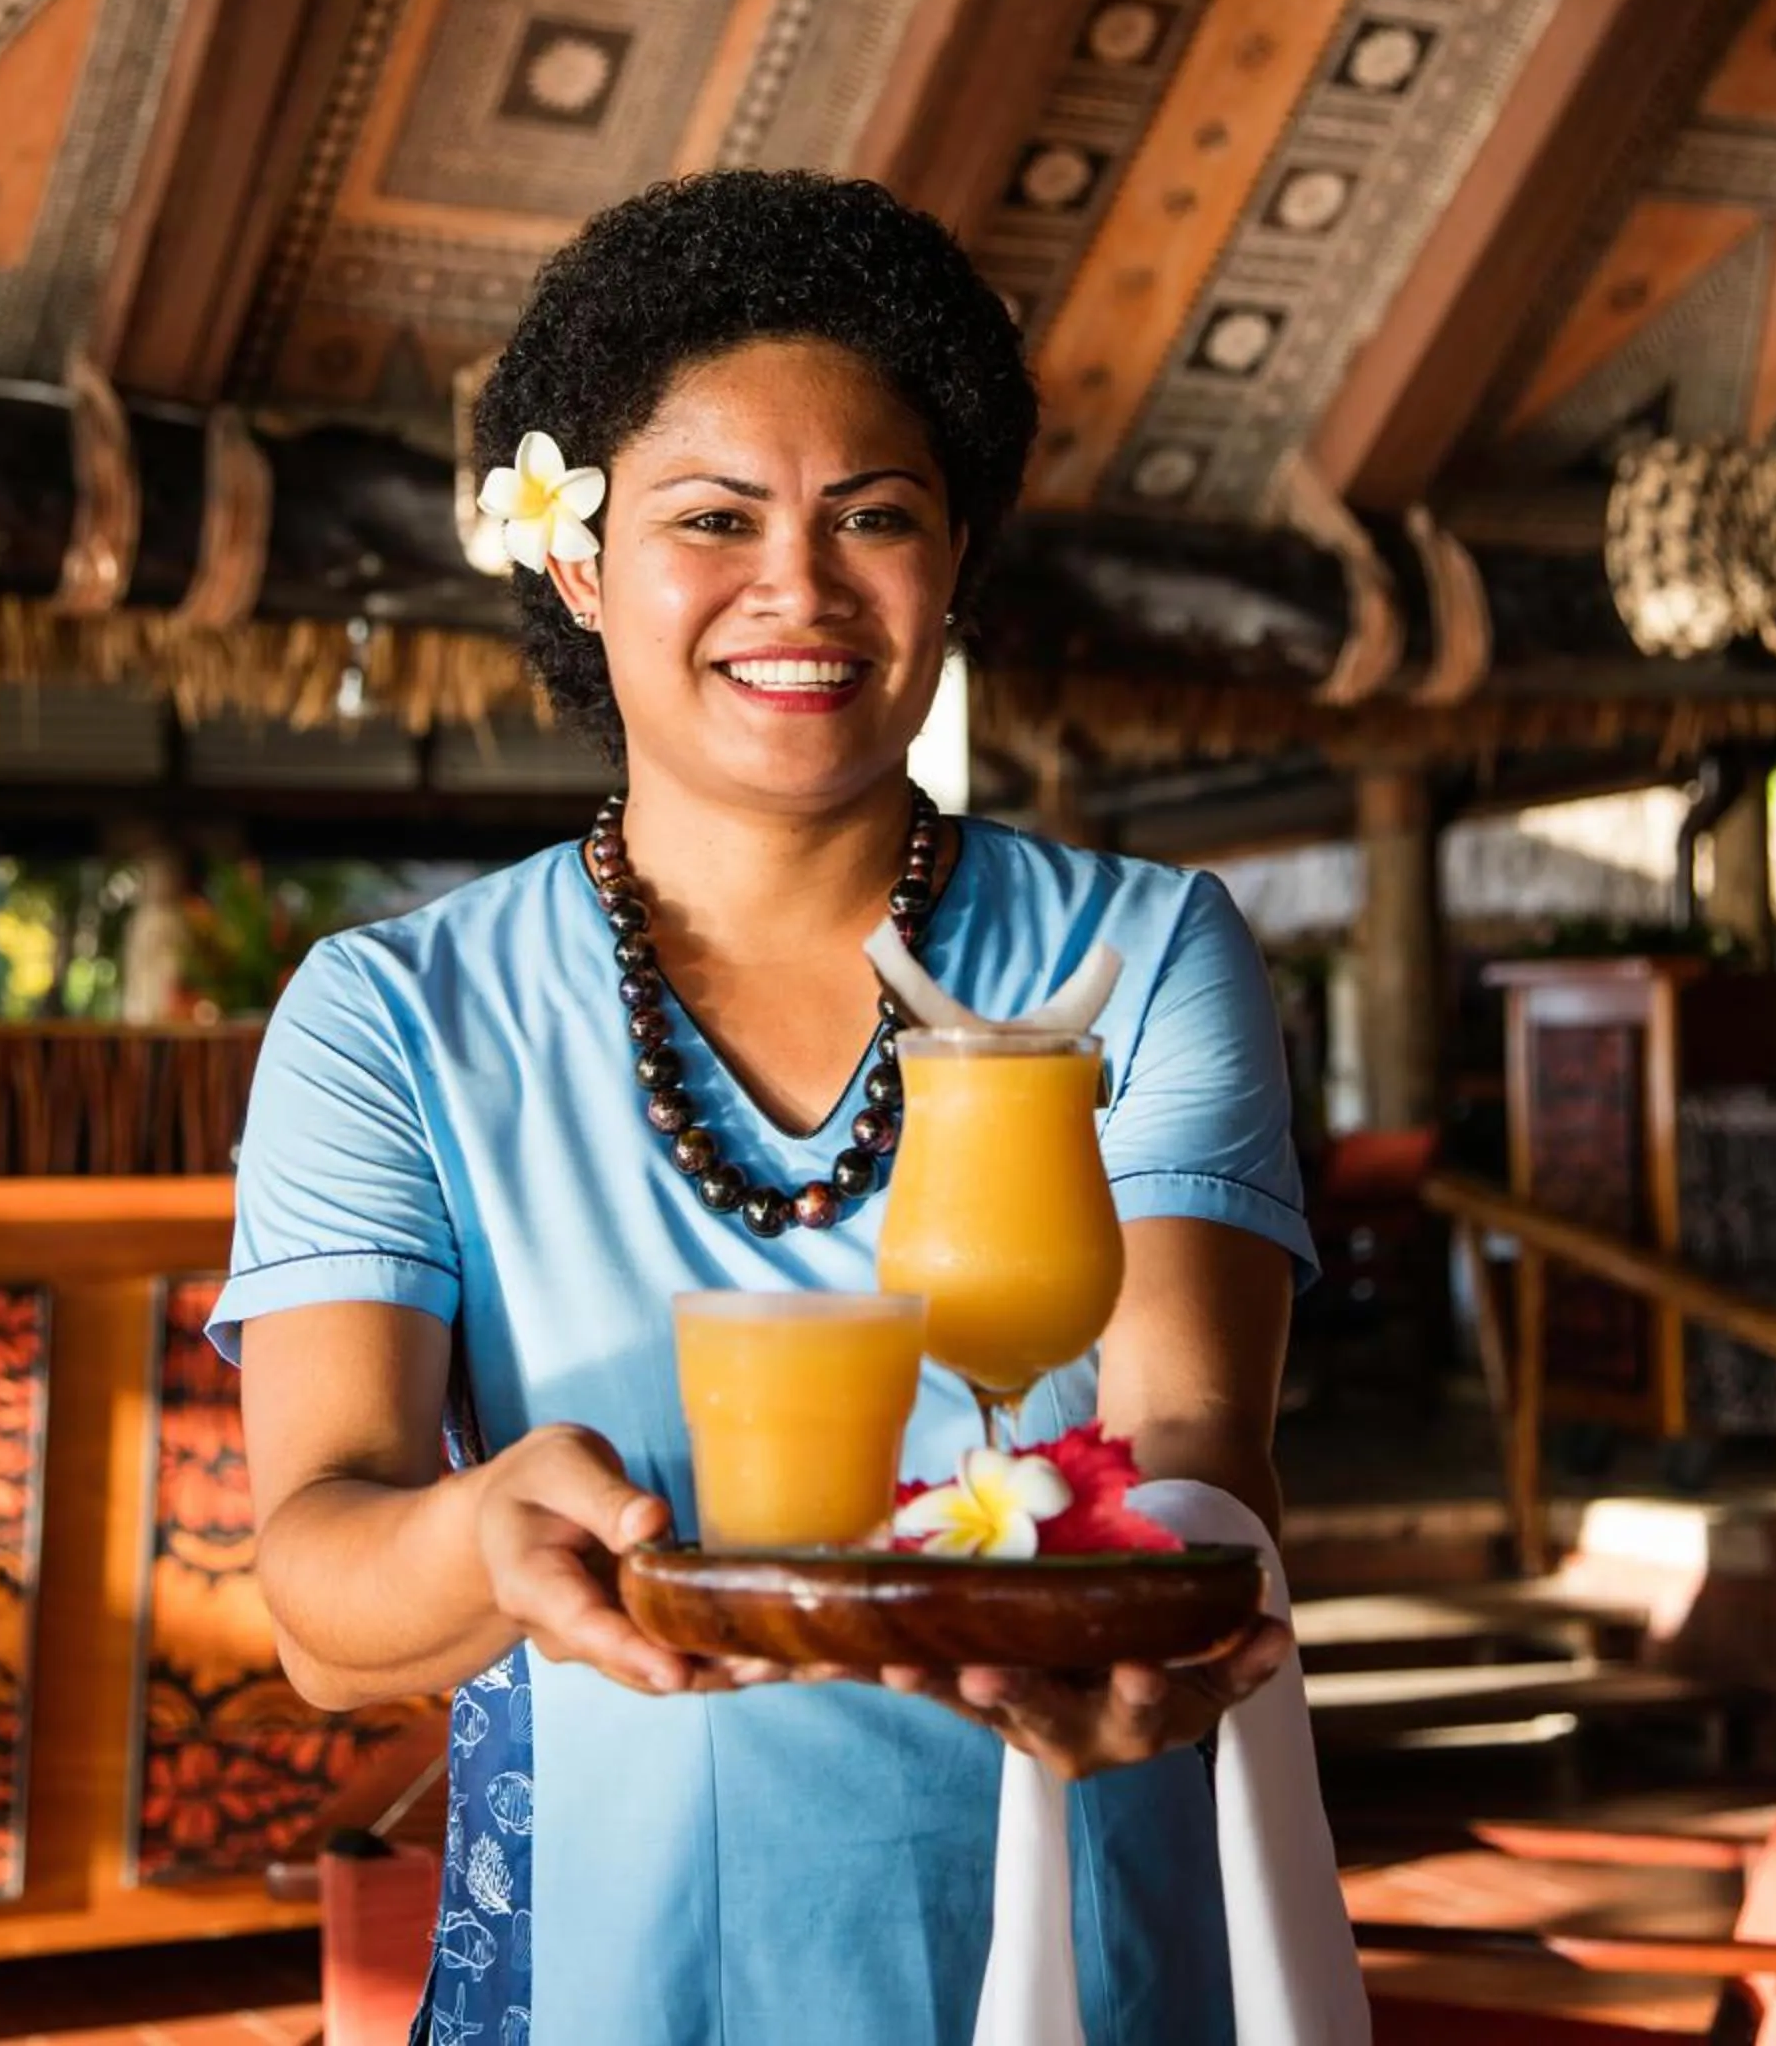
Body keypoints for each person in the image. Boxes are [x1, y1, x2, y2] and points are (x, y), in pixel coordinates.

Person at [212, 169, 1314, 2046]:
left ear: (953, 558)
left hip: (1075, 1955)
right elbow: (320, 1605)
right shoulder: (389, 1018)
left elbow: (1193, 1437)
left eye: (872, 515)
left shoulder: (1137, 955)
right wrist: (481, 1539)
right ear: (578, 563)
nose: (798, 588)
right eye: (712, 518)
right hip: (613, 1979)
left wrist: (1161, 1610)